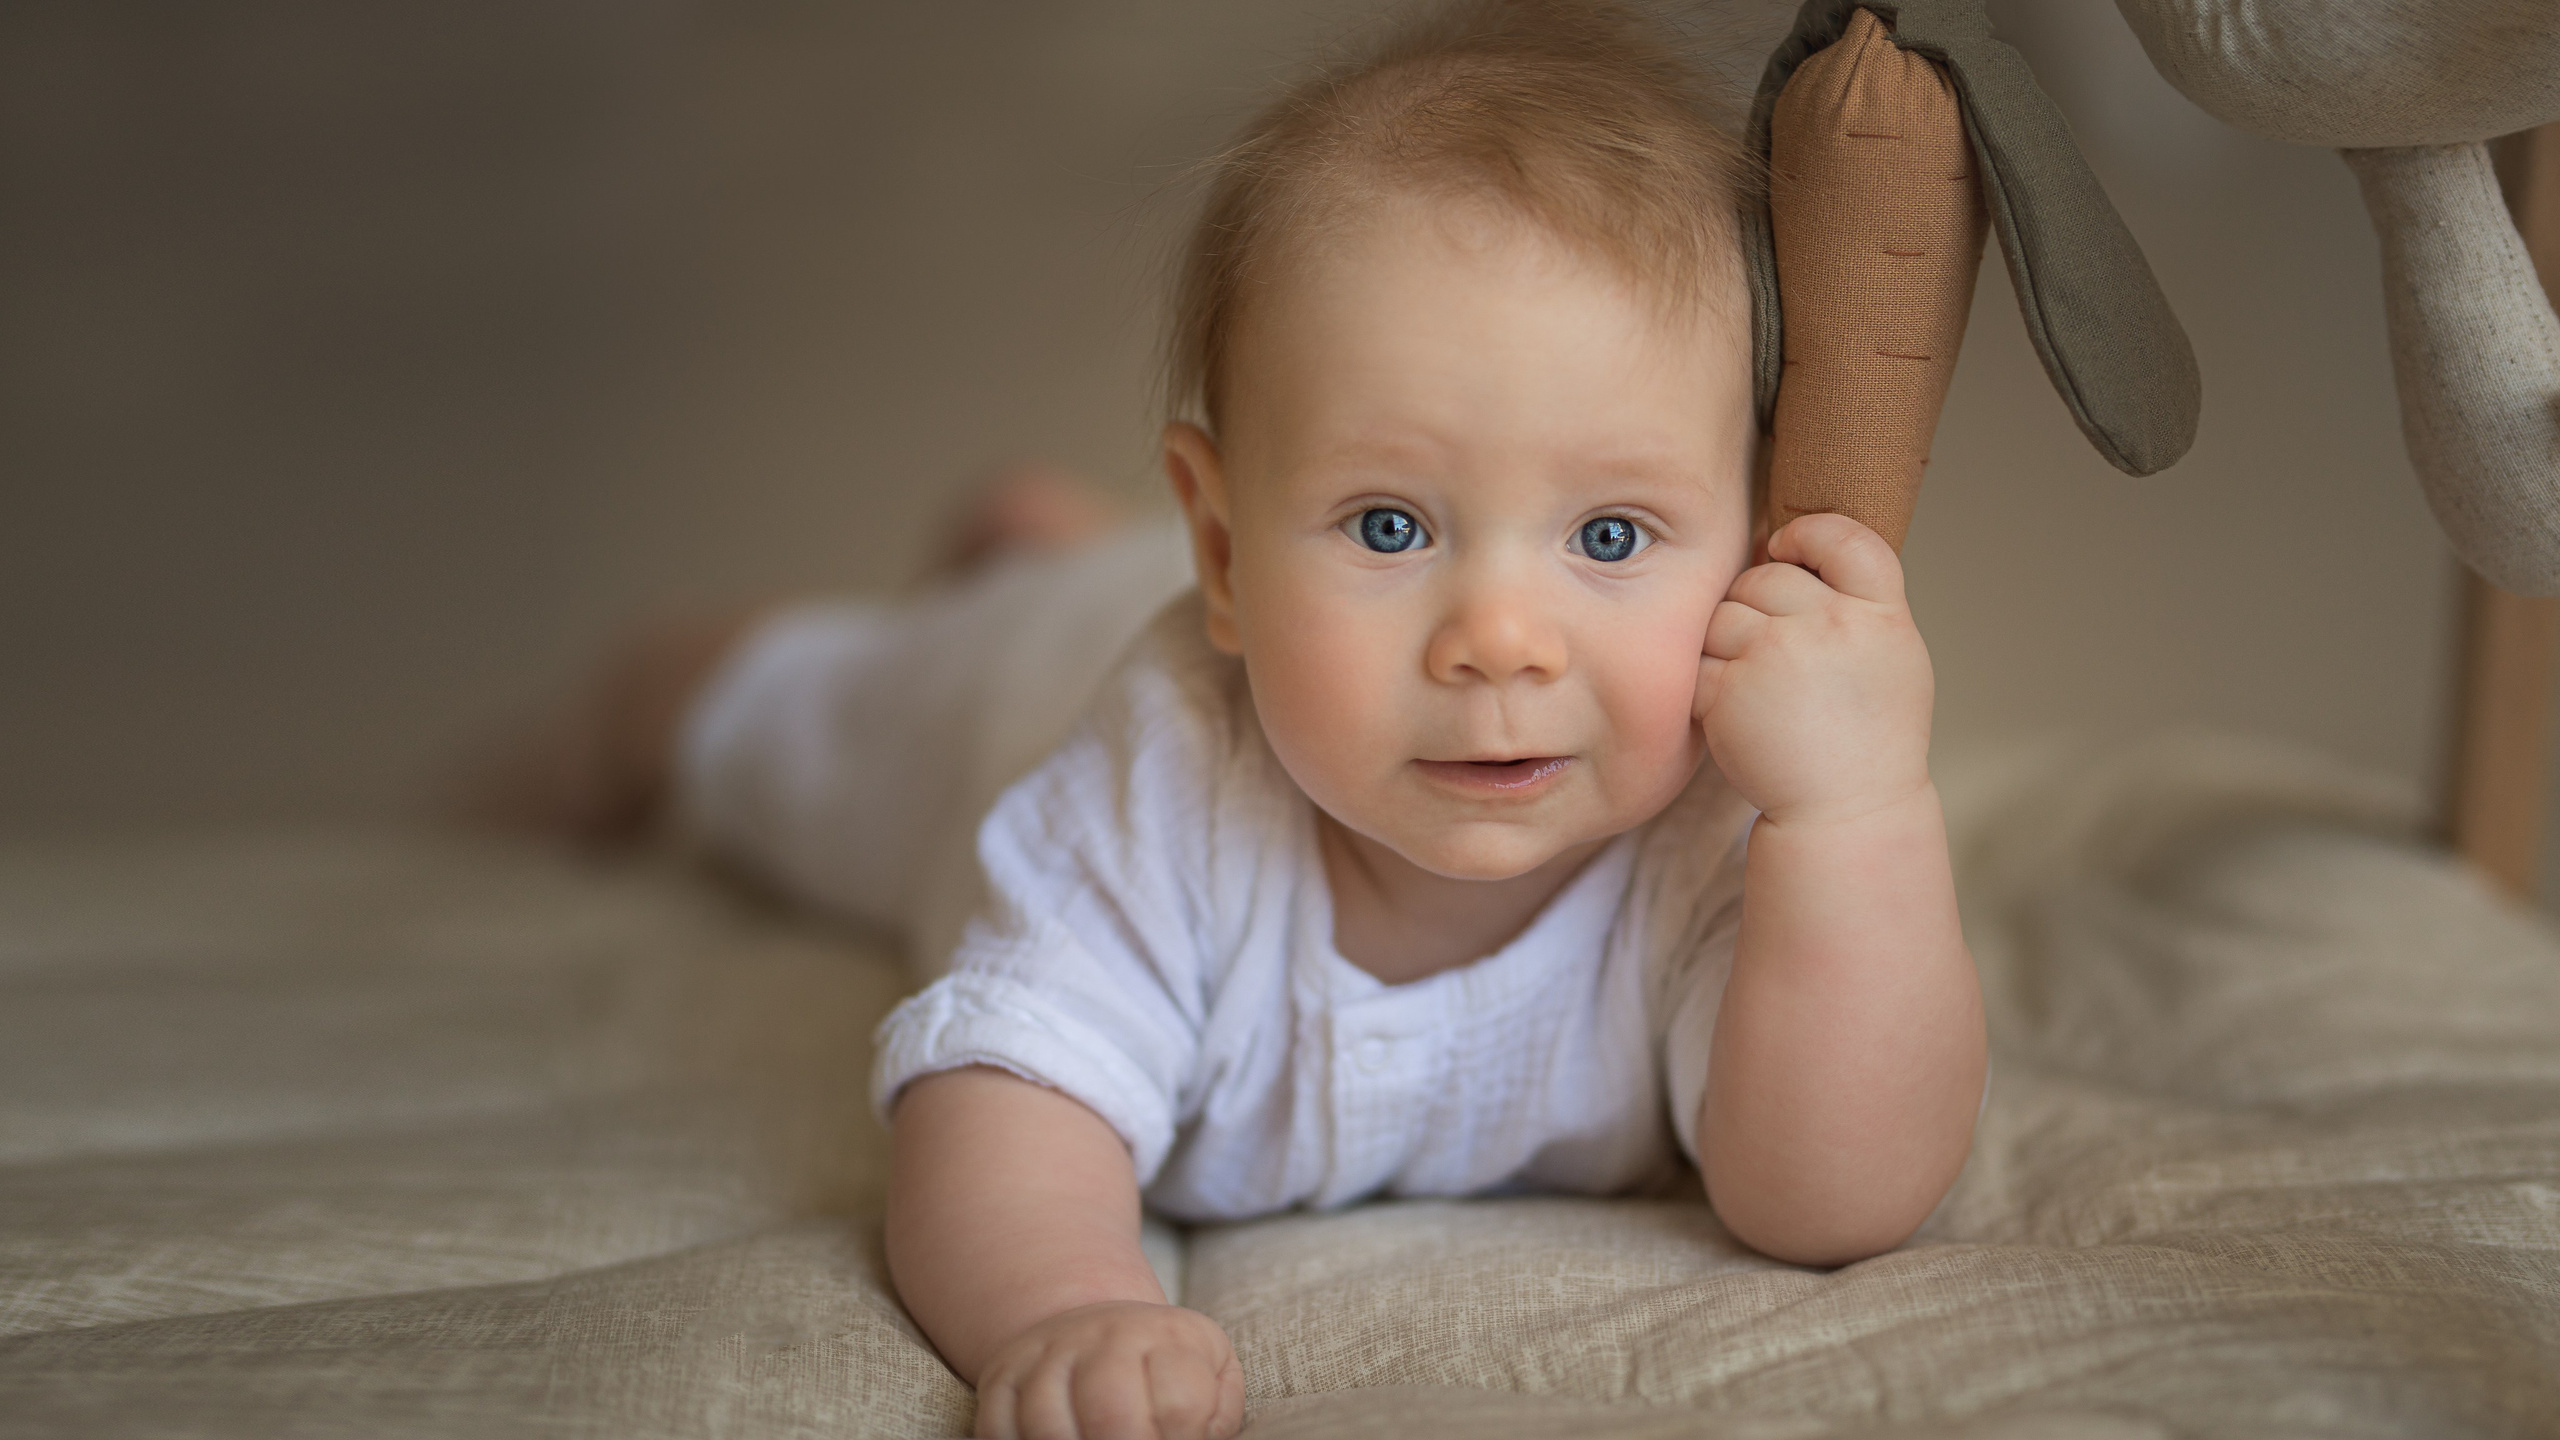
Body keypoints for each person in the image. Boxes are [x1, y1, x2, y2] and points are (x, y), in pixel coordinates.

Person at [494, 3, 1987, 1436]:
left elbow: (1829, 1195)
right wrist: (1068, 1309)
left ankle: (1047, 536)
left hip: (1179, 598)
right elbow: (1002, 1103)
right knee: (801, 710)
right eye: (1391, 525)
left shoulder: (1724, 824)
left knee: (1066, 566)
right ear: (1222, 550)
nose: (1498, 642)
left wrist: (1859, 815)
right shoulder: (1157, 786)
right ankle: (686, 679)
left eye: (1610, 537)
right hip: (1013, 685)